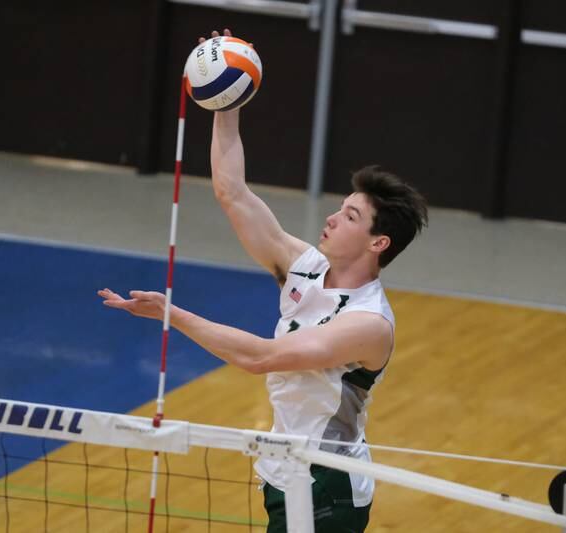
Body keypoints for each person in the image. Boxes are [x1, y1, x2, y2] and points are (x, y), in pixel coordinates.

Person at [98, 27, 428, 533]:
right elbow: (232, 192)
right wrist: (226, 98)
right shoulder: (304, 265)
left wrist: (172, 313)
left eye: (351, 218)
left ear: (378, 243)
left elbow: (261, 358)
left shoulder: (369, 324)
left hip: (328, 487)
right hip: (282, 471)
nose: (333, 219)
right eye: (340, 209)